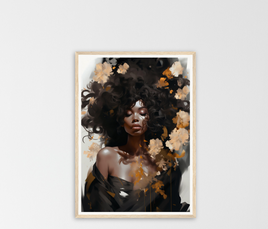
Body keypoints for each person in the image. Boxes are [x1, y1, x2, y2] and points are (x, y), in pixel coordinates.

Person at [81, 57, 191, 213]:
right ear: (119, 118)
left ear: (152, 115)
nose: (135, 119)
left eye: (142, 113)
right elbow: (95, 210)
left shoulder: (165, 165)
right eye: (127, 113)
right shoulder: (107, 156)